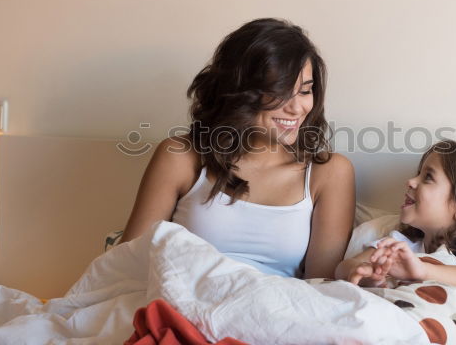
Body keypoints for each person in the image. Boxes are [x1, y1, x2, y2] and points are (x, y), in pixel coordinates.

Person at [121, 18, 355, 279]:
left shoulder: (329, 172)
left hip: (276, 312)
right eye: (280, 92)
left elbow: (321, 287)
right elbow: (127, 264)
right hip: (180, 305)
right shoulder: (181, 157)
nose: (296, 108)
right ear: (241, 91)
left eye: (305, 91)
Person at [336, 140, 456, 302]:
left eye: (428, 177)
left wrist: (422, 270)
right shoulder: (400, 243)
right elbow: (344, 267)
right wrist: (364, 272)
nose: (411, 182)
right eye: (418, 174)